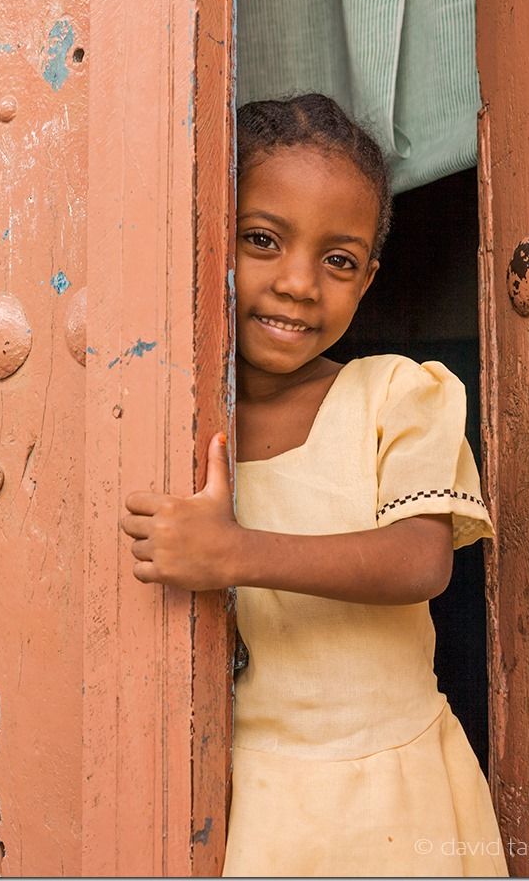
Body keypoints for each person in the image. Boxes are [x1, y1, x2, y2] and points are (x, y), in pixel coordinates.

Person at [121, 93, 509, 877]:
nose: (299, 284)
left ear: (368, 278)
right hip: (251, 799)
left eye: (337, 259)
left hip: (396, 790)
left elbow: (419, 563)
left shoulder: (397, 395)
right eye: (262, 240)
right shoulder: (163, 419)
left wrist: (232, 552)